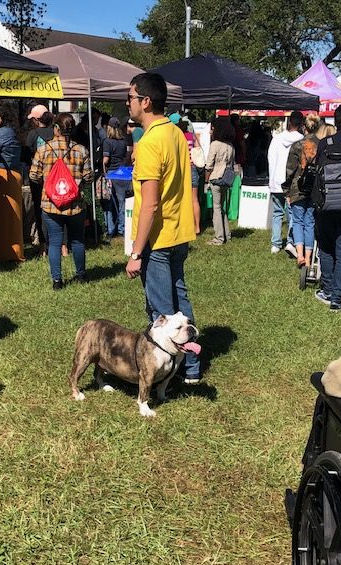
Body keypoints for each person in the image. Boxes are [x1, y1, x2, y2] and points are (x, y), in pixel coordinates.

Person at [125, 72, 200, 384]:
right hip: (179, 234)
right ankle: (192, 368)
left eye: (129, 98)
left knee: (162, 313)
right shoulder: (175, 133)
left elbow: (150, 203)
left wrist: (136, 252)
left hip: (157, 240)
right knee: (180, 302)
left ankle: (165, 371)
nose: (127, 104)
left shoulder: (149, 142)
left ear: (145, 101)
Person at [29, 113, 93, 289]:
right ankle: (81, 275)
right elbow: (89, 177)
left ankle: (57, 281)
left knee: (55, 242)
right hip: (75, 204)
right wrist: (78, 185)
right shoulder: (81, 150)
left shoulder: (44, 149)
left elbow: (33, 175)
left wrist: (47, 182)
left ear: (56, 128)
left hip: (50, 204)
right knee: (77, 240)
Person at [314, 104, 341, 312]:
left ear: (335, 121)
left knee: (326, 248)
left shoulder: (324, 144)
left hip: (324, 204)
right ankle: (337, 299)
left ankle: (327, 290)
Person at [0, 101, 24, 262]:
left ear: (4, 116)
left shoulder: (0, 133)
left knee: (0, 217)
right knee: (14, 217)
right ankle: (15, 251)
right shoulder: (13, 131)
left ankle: (1, 252)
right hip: (15, 174)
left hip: (3, 176)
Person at [283, 114, 320, 268]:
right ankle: (309, 257)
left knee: (298, 221)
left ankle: (299, 256)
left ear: (304, 126)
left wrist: (286, 190)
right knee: (310, 222)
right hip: (314, 189)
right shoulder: (322, 145)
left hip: (297, 188)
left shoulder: (297, 145)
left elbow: (290, 170)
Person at [268, 111, 304, 255]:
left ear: (289, 122)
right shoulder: (301, 139)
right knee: (293, 214)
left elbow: (270, 158)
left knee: (277, 213)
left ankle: (275, 244)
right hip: (292, 183)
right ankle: (290, 241)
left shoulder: (277, 138)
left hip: (276, 180)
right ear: (301, 124)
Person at [26, 105, 55, 254]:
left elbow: (25, 155)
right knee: (58, 208)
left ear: (37, 120)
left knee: (40, 209)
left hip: (38, 177)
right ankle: (61, 246)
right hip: (56, 176)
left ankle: (44, 246)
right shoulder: (57, 132)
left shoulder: (33, 134)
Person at [205, 117, 235, 245]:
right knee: (222, 207)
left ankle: (219, 238)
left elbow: (209, 165)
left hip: (216, 177)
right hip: (226, 179)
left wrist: (206, 182)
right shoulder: (231, 145)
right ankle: (226, 234)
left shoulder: (215, 144)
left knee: (216, 208)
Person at [102, 116, 128, 238]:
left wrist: (102, 164)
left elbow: (106, 160)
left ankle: (111, 229)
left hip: (112, 174)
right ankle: (122, 228)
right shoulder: (123, 142)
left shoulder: (107, 142)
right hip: (123, 174)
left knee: (110, 203)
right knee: (122, 202)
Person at [176, 117, 202, 234]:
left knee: (181, 200)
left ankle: (185, 226)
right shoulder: (192, 136)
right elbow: (199, 149)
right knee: (194, 200)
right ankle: (197, 227)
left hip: (181, 170)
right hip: (193, 169)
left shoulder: (176, 137)